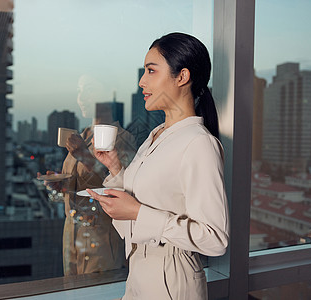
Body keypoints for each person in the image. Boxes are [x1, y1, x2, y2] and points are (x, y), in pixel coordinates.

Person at [87, 32, 230, 299]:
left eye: (151, 71)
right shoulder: (156, 136)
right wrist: (116, 170)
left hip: (172, 278)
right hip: (139, 271)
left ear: (182, 77)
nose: (142, 81)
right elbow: (138, 208)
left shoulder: (199, 143)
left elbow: (215, 239)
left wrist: (139, 213)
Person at [38, 75, 136, 276]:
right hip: (72, 234)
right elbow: (81, 185)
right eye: (80, 91)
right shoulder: (81, 137)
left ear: (107, 95)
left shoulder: (122, 139)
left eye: (89, 90)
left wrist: (84, 155)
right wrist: (61, 186)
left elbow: (124, 186)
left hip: (100, 237)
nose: (81, 97)